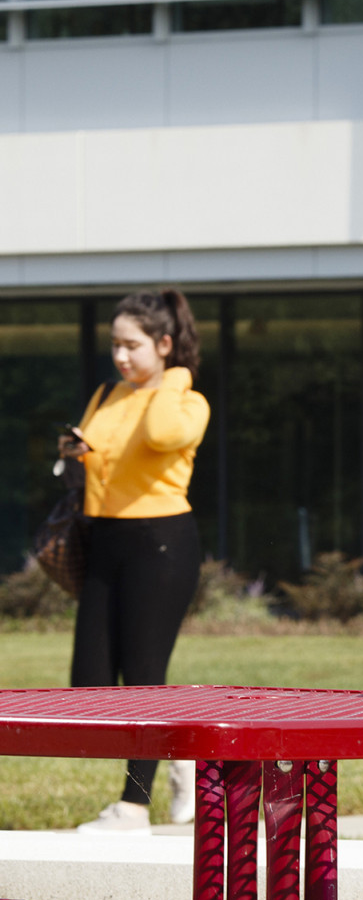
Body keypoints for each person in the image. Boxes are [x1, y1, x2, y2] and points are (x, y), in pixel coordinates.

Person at [60, 288, 210, 835]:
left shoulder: (187, 400)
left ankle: (132, 806)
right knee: (91, 681)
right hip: (105, 540)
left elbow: (160, 434)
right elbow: (100, 453)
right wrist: (74, 452)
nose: (120, 356)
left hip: (162, 543)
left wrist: (172, 376)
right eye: (115, 345)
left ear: (164, 343)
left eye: (132, 345)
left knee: (144, 677)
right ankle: (183, 750)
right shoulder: (108, 393)